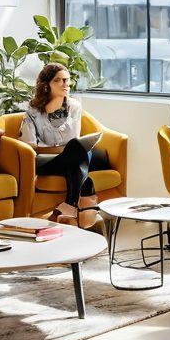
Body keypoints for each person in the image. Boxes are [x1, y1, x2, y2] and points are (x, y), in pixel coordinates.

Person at [20, 63, 110, 231]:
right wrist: (62, 149)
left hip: (70, 157)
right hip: (45, 161)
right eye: (58, 80)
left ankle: (70, 204)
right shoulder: (33, 109)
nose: (65, 84)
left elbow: (73, 140)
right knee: (81, 154)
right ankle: (84, 204)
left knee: (78, 155)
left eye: (66, 80)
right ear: (46, 85)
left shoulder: (74, 106)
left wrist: (67, 149)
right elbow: (31, 145)